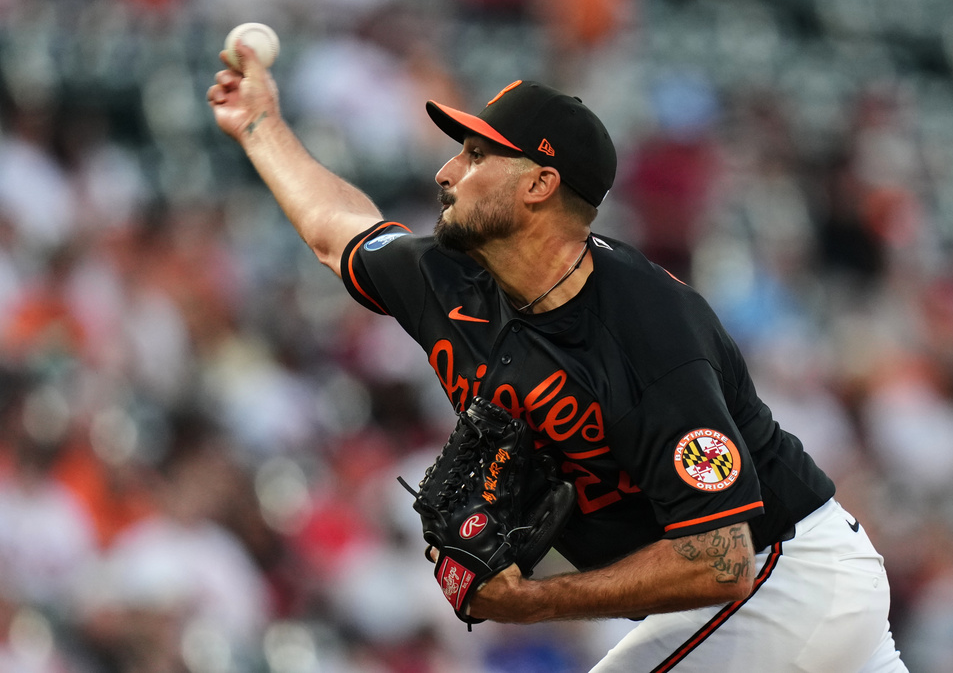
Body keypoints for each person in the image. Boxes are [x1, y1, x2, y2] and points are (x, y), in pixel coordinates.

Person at [207, 43, 908, 673]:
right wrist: (260, 124)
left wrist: (530, 602)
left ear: (539, 185)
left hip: (782, 572)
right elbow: (338, 233)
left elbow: (721, 558)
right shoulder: (450, 278)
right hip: (761, 593)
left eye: (478, 155)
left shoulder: (648, 330)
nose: (448, 170)